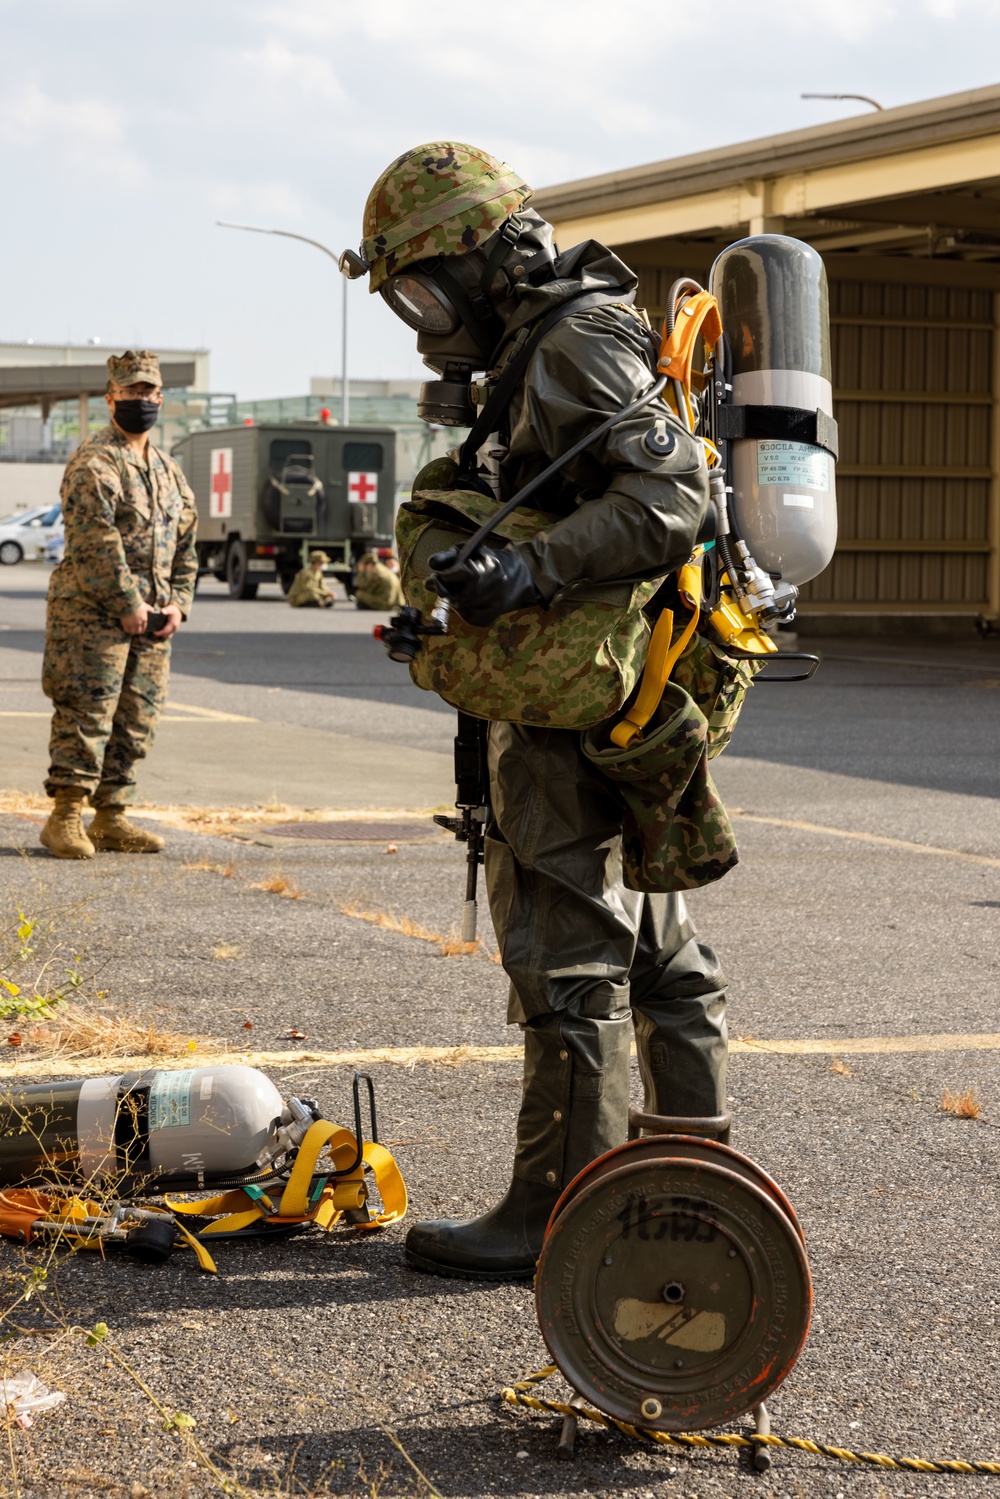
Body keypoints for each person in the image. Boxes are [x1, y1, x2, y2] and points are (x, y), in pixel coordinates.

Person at [350, 143, 729, 1281]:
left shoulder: (572, 342)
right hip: (614, 681)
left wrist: (530, 573)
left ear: (491, 260)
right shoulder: (548, 346)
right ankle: (684, 1170)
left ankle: (556, 1214)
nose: (424, 322)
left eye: (426, 289)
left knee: (566, 948)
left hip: (583, 689)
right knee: (650, 938)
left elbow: (670, 497)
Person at [39, 350, 197, 860]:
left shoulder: (169, 471)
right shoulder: (95, 461)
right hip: (91, 616)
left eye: (149, 392)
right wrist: (129, 602)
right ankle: (65, 815)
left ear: (161, 398)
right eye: (131, 392)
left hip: (151, 621)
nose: (141, 400)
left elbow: (187, 546)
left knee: (136, 719)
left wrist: (178, 605)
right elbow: (95, 542)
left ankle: (112, 816)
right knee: (87, 713)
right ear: (111, 398)